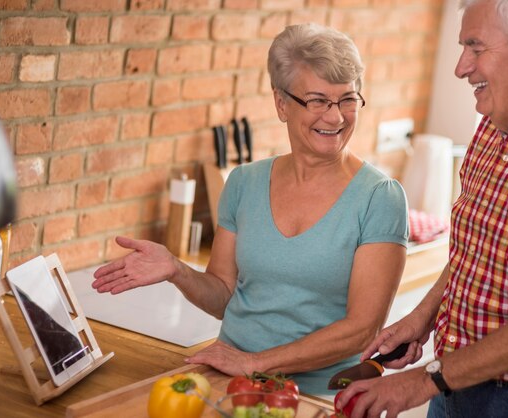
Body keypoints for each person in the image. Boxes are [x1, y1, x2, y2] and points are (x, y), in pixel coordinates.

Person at [92, 23, 409, 395]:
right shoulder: (244, 182)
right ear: (281, 104)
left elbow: (362, 329)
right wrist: (177, 270)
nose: (336, 117)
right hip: (231, 382)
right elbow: (224, 294)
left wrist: (256, 364)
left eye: (348, 99)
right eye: (318, 100)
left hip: (318, 395)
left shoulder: (380, 197)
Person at [336, 0, 508, 416]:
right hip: (455, 382)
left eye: (476, 48)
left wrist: (425, 380)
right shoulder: (494, 126)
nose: (461, 67)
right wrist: (422, 318)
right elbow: (476, 256)